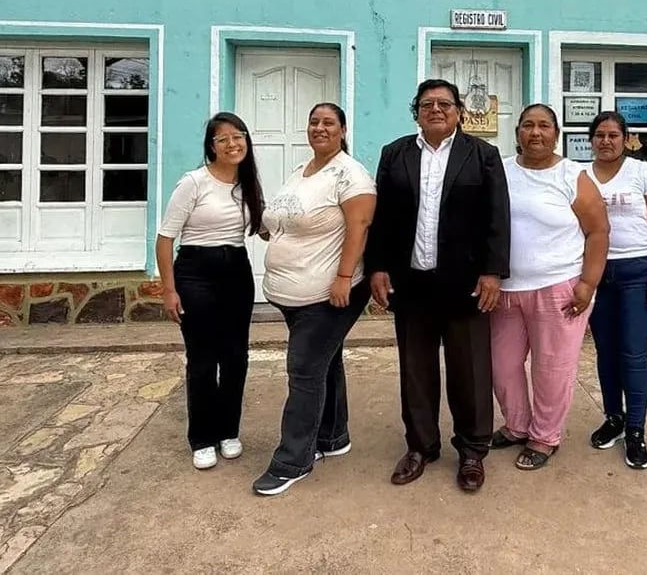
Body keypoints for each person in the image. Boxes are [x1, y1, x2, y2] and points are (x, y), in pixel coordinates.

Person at [365, 79, 510, 493]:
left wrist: (492, 272)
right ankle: (420, 447)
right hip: (411, 283)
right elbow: (385, 218)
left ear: (459, 111)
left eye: (444, 103)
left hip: (465, 284)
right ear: (416, 112)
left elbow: (497, 217)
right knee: (416, 371)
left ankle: (471, 451)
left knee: (470, 372)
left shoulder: (482, 155)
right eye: (427, 104)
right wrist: (377, 267)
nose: (436, 109)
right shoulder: (395, 155)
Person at [252, 103, 377, 496]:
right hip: (291, 294)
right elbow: (284, 219)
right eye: (314, 121)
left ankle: (293, 460)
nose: (319, 128)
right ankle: (333, 437)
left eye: (328, 122)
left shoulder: (350, 174)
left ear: (342, 129)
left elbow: (360, 227)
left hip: (329, 294)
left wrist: (343, 277)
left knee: (304, 371)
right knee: (326, 361)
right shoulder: (299, 171)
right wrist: (269, 228)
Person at [491, 103, 609, 471]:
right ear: (517, 133)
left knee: (551, 367)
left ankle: (545, 436)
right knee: (502, 365)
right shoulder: (501, 171)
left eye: (544, 126)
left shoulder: (572, 176)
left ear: (556, 134)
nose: (536, 133)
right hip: (506, 290)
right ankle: (516, 425)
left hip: (559, 289)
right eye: (528, 125)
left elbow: (598, 231)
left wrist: (588, 283)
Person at [156, 112, 263, 471]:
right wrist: (169, 289)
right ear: (211, 146)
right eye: (224, 139)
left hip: (236, 271)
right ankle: (202, 438)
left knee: (236, 357)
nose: (233, 144)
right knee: (203, 358)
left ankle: (228, 431)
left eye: (239, 136)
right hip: (195, 273)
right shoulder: (194, 183)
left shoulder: (247, 183)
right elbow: (165, 238)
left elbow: (262, 226)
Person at [583, 111, 647, 469]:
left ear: (626, 139)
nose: (606, 141)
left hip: (637, 273)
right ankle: (614, 419)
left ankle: (636, 430)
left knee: (633, 354)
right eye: (600, 135)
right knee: (606, 352)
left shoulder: (644, 173)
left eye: (613, 135)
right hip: (595, 274)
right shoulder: (580, 175)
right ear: (591, 139)